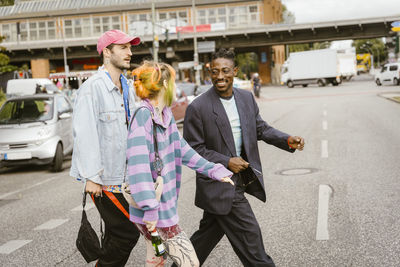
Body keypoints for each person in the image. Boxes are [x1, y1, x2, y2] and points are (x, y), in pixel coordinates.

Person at [181, 48, 305, 267]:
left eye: (225, 71)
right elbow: (193, 150)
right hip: (219, 185)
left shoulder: (246, 98)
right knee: (253, 246)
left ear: (235, 71)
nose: (220, 76)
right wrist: (226, 161)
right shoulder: (198, 107)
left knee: (203, 241)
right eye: (215, 71)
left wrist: (286, 140)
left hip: (239, 179)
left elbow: (260, 128)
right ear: (209, 72)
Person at [126, 61, 234, 267]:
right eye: (174, 82)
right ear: (165, 84)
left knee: (155, 260)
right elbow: (138, 168)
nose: (176, 88)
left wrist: (214, 170)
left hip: (159, 207)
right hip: (154, 210)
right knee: (190, 262)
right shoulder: (143, 116)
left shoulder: (165, 115)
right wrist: (150, 209)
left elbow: (184, 151)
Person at [70, 29, 141, 266]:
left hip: (124, 178)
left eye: (130, 47)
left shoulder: (127, 86)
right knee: (127, 233)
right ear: (107, 52)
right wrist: (91, 176)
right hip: (104, 179)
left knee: (115, 235)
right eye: (123, 47)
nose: (130, 53)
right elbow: (85, 132)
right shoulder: (93, 88)